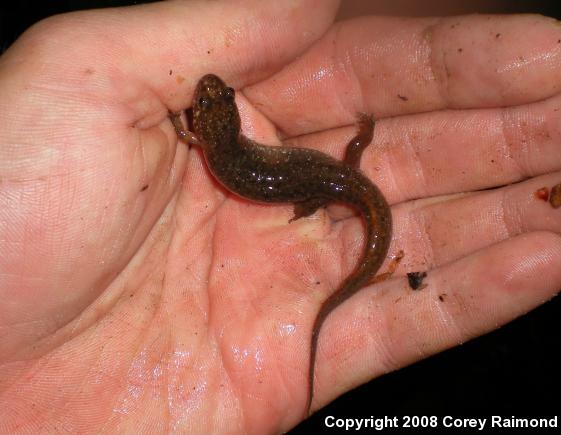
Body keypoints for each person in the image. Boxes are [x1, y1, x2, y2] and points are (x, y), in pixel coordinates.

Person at [0, 1, 560, 432]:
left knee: (338, 181)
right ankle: (320, 212)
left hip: (327, 185)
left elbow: (196, 131)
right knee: (337, 180)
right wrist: (337, 166)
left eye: (215, 101)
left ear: (219, 124)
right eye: (210, 101)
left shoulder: (206, 141)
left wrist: (331, 172)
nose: (210, 95)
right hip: (326, 185)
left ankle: (321, 212)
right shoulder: (217, 143)